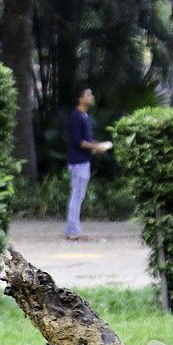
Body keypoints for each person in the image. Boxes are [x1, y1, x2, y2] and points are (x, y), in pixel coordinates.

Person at [66, 84, 112, 240]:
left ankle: (73, 228)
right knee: (77, 194)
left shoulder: (84, 117)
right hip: (78, 162)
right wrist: (95, 146)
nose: (92, 97)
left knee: (79, 194)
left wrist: (96, 146)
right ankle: (73, 230)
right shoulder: (76, 116)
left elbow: (86, 141)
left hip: (83, 160)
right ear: (81, 99)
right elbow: (78, 141)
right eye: (89, 94)